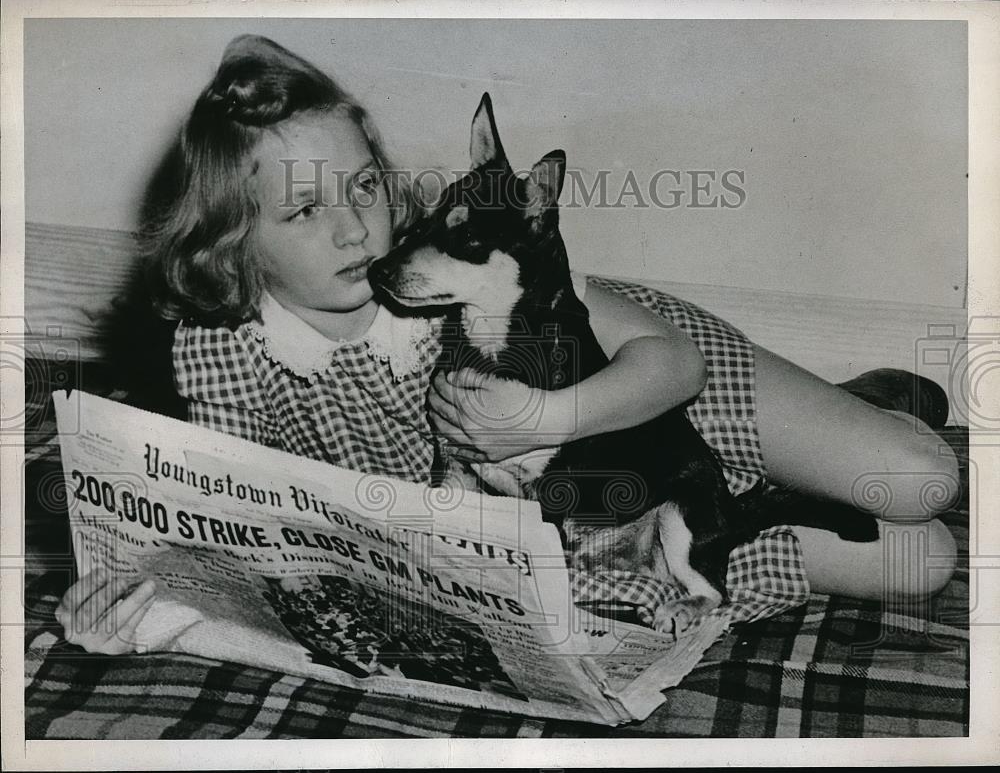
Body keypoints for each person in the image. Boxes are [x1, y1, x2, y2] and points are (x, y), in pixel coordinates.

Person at [55, 35, 959, 655]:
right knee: (924, 559)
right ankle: (794, 464)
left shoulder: (449, 276)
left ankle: (870, 400)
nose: (355, 231)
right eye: (303, 210)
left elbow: (671, 366)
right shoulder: (228, 363)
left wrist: (547, 410)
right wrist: (128, 598)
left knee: (924, 480)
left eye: (364, 186)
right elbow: (224, 527)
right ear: (231, 244)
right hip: (604, 496)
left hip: (649, 382)